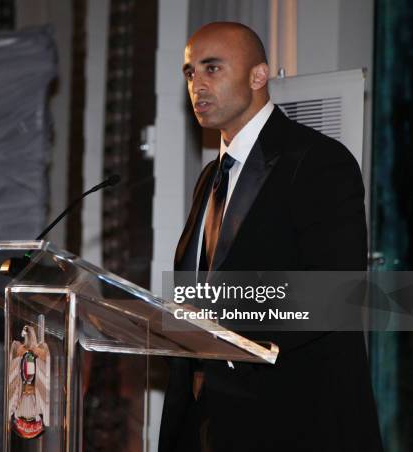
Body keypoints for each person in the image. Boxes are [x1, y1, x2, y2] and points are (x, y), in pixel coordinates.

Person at [158, 22, 383, 452]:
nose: (197, 85)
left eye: (212, 69)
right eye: (190, 73)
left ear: (258, 76)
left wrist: (219, 323)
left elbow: (335, 293)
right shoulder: (210, 177)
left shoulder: (318, 162)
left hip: (292, 421)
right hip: (205, 423)